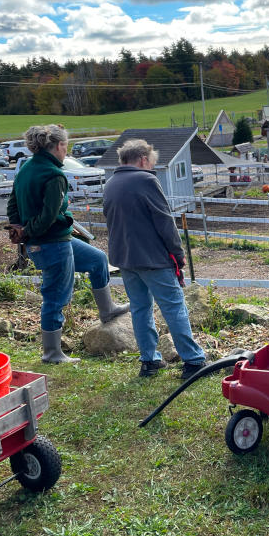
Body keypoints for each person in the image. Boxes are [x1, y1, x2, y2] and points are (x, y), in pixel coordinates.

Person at [7, 124, 128, 364]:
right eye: (66, 147)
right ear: (59, 146)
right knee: (55, 296)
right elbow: (50, 215)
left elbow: (12, 203)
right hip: (52, 243)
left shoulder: (26, 169)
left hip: (54, 240)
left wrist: (17, 227)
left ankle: (107, 310)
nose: (66, 152)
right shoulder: (54, 175)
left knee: (97, 259)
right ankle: (52, 353)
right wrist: (29, 231)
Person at [101, 139, 207, 378]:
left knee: (140, 308)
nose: (151, 167)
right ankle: (193, 360)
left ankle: (149, 361)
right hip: (152, 258)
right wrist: (178, 253)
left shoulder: (111, 184)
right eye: (151, 163)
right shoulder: (146, 180)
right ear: (143, 159)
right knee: (173, 306)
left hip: (126, 258)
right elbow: (164, 221)